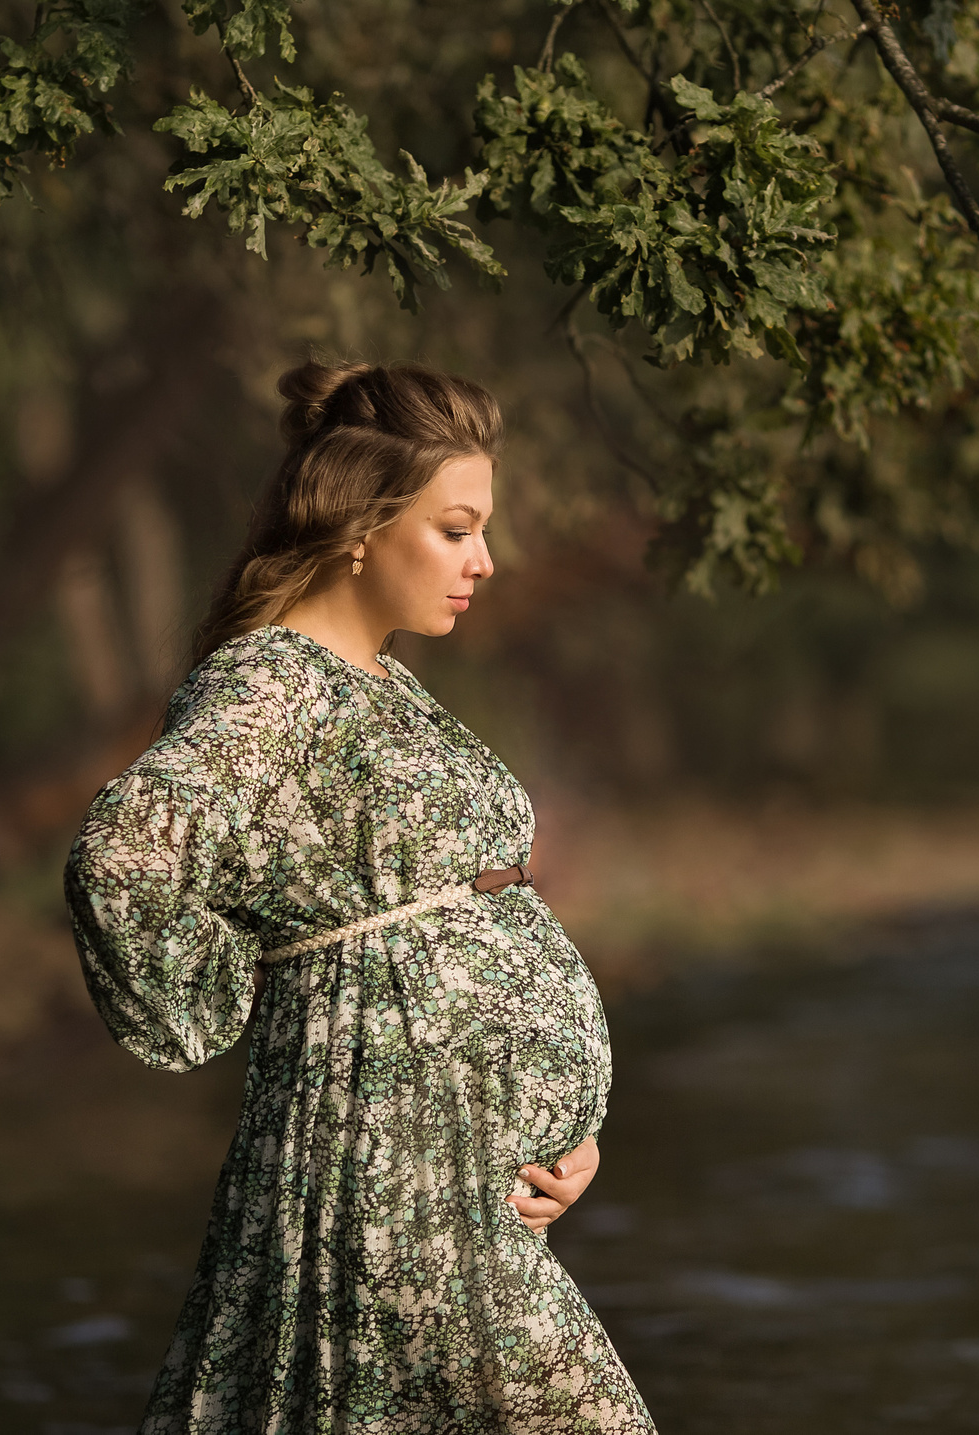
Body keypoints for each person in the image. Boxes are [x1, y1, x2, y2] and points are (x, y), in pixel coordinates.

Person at [64, 361, 653, 1434]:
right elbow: (124, 855)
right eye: (457, 529)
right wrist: (261, 993)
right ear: (360, 526)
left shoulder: (382, 681)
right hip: (389, 1170)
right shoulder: (272, 682)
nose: (484, 560)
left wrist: (562, 1128)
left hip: (460, 1177)